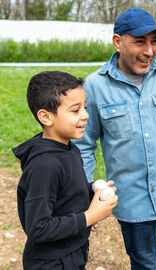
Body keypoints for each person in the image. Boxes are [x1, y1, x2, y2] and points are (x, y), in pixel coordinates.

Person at [74, 8, 156, 270]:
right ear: (117, 42)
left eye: (154, 41)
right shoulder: (94, 86)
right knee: (145, 265)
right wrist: (87, 192)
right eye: (139, 41)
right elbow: (83, 145)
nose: (149, 51)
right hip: (133, 202)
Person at [12, 71, 118, 270]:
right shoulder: (44, 165)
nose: (86, 115)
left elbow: (64, 192)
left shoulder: (69, 148)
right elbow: (39, 228)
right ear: (46, 117)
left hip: (72, 252)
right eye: (75, 110)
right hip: (51, 263)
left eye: (85, 108)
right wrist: (89, 217)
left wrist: (90, 191)